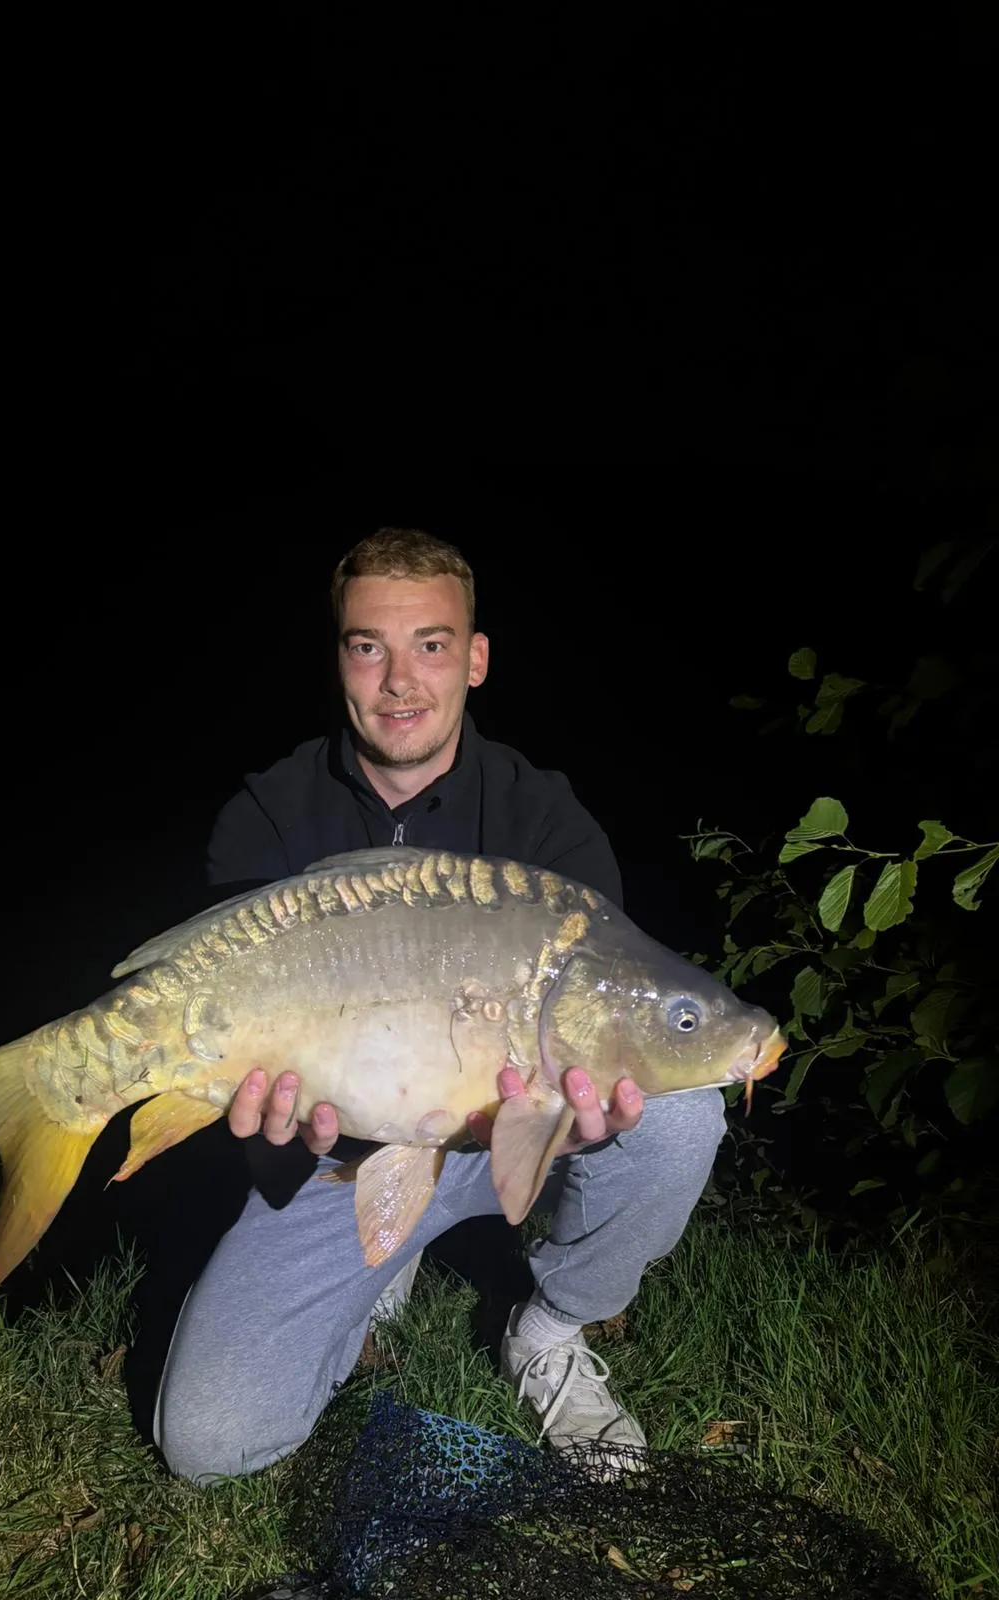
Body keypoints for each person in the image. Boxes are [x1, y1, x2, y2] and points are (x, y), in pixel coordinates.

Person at [152, 528, 727, 1484]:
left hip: (516, 1130)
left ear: (476, 657)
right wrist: (269, 1131)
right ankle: (378, 1273)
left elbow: (611, 1022)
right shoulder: (267, 816)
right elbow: (252, 1086)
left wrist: (579, 1131)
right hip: (341, 1160)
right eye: (368, 645)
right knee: (210, 1447)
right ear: (339, 656)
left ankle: (549, 1327)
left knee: (678, 1115)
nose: (400, 681)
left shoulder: (547, 822)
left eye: (431, 644)